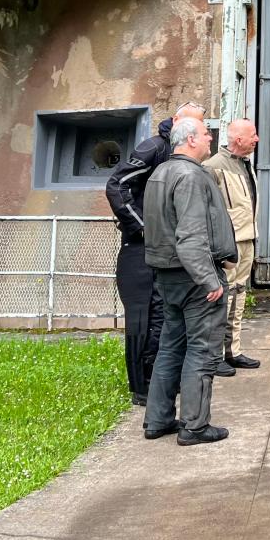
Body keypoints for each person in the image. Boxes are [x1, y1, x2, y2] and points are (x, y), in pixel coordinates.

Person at [143, 116, 239, 446]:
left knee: (170, 347)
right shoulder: (189, 176)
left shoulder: (160, 173)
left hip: (168, 276)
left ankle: (157, 419)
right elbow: (191, 236)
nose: (211, 140)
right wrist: (209, 280)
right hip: (194, 278)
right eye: (206, 135)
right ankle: (195, 426)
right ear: (190, 140)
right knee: (202, 349)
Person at [104, 117, 173, 405]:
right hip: (139, 250)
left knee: (161, 313)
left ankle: (158, 380)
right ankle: (142, 386)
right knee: (143, 317)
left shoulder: (172, 151)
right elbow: (117, 184)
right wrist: (141, 227)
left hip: (160, 249)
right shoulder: (154, 147)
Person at [204, 118, 261, 374]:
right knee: (223, 298)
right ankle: (214, 356)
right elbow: (209, 210)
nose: (257, 139)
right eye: (253, 135)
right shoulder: (213, 166)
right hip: (229, 243)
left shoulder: (245, 165)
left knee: (238, 295)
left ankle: (232, 351)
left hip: (247, 239)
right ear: (239, 139)